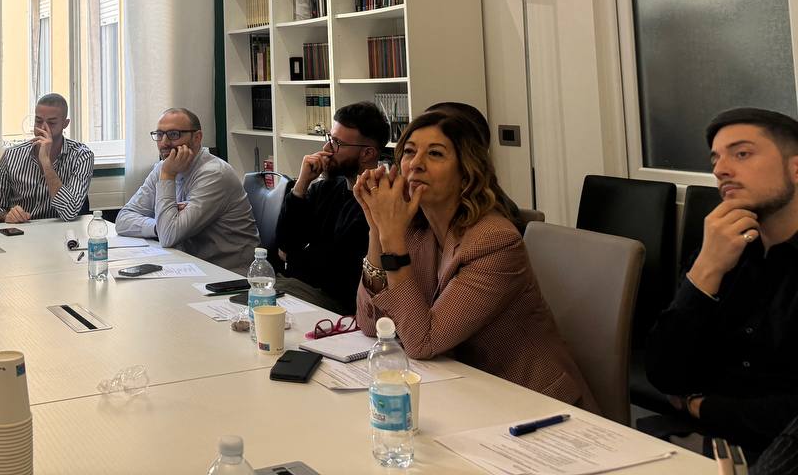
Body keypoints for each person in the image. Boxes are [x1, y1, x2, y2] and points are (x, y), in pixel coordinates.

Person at [351, 109, 595, 408]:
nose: (415, 164)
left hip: (529, 403)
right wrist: (377, 229)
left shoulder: (495, 241)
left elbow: (422, 342)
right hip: (460, 391)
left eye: (435, 154)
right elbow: (370, 324)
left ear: (466, 172)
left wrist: (391, 239)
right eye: (410, 152)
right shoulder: (413, 230)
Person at [645, 107, 798, 460]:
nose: (720, 169)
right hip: (699, 448)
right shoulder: (722, 247)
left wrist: (702, 406)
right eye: (715, 158)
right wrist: (706, 270)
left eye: (741, 154)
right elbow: (664, 373)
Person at [275, 101, 390, 314]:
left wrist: (292, 258)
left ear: (367, 153)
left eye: (337, 143)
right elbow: (284, 242)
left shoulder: (377, 201)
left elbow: (335, 271)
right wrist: (301, 185)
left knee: (265, 296)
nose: (327, 149)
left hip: (340, 306)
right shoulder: (325, 188)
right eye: (329, 138)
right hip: (304, 290)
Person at [115, 107, 259, 274]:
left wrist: (168, 176)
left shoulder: (214, 174)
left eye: (173, 134)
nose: (164, 143)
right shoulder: (163, 167)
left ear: (197, 138)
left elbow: (169, 236)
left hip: (228, 275)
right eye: (159, 134)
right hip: (189, 267)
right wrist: (158, 226)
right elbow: (123, 219)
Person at [0, 93, 94, 223]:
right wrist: (7, 216)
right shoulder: (11, 155)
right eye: (38, 121)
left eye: (51, 123)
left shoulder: (82, 156)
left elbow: (70, 212)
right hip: (22, 229)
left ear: (65, 123)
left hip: (61, 230)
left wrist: (46, 163)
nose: (42, 128)